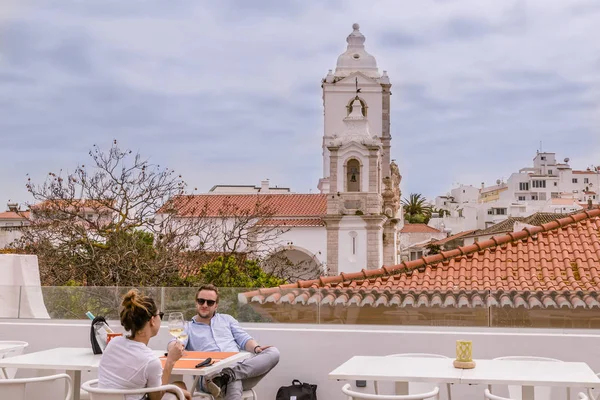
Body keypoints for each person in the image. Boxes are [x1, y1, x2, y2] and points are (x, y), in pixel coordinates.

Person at [167, 284, 280, 399]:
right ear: (196, 302)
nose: (205, 305)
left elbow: (244, 339)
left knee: (273, 352)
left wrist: (257, 348)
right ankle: (228, 375)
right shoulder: (188, 327)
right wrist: (174, 347)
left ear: (216, 305)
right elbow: (175, 343)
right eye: (201, 301)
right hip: (211, 379)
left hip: (239, 369)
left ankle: (228, 375)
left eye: (210, 302)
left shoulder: (227, 320)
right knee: (232, 381)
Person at [98, 289, 192, 400]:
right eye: (160, 315)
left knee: (179, 385)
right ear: (152, 320)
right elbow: (156, 397)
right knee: (180, 393)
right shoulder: (150, 361)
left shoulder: (113, 343)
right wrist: (170, 361)